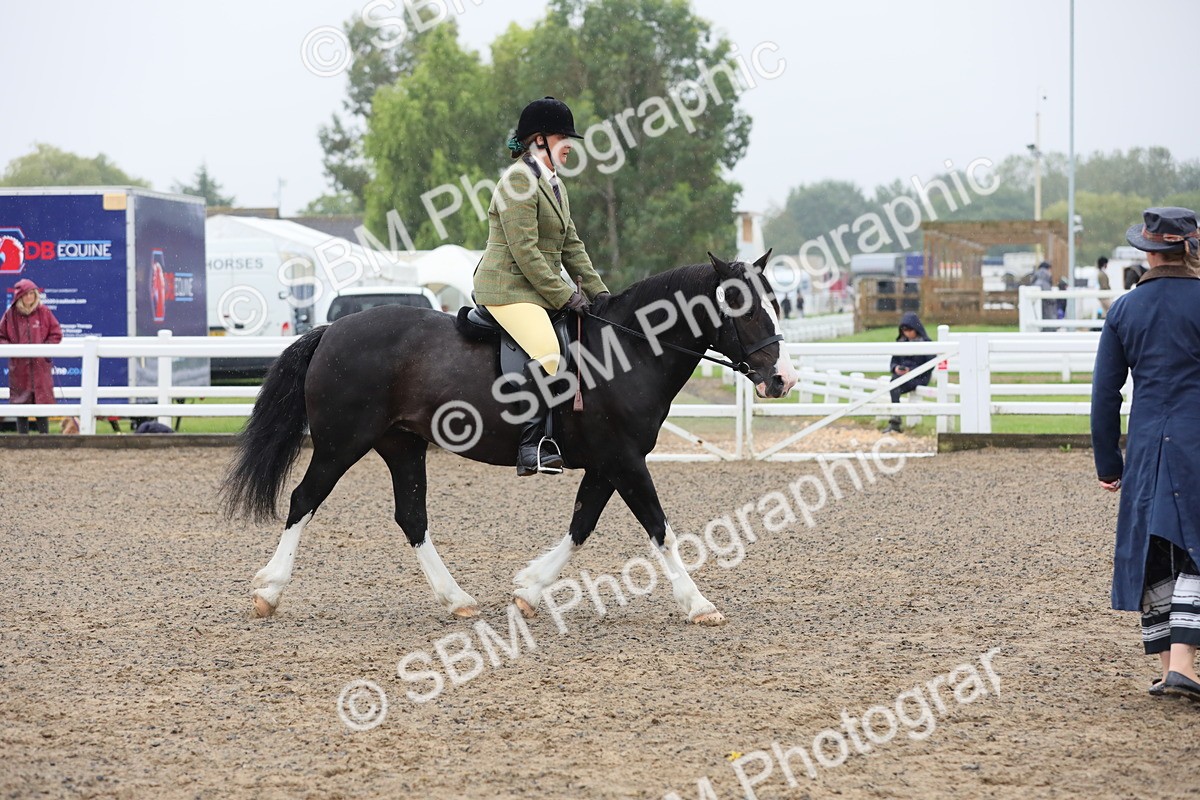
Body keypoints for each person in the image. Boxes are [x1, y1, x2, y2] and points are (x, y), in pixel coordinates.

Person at [1092, 207, 1200, 701]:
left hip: (1145, 446)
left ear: (1148, 251)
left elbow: (1105, 394)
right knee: (1194, 549)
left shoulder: (1124, 310)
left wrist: (1109, 464)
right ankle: (1183, 666)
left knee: (1156, 549)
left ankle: (1168, 667)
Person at [473, 96, 610, 476]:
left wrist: (600, 295)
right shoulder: (517, 181)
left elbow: (571, 246)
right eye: (562, 137)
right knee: (549, 350)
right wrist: (566, 295)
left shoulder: (553, 185)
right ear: (539, 140)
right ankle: (531, 445)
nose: (569, 145)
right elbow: (526, 252)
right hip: (508, 289)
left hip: (535, 290)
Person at [0, 279, 63, 434]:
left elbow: (56, 333)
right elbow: (1, 336)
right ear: (19, 296)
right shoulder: (10, 315)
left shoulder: (44, 312)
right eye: (26, 294)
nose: (29, 297)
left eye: (32, 294)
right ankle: (22, 438)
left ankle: (44, 438)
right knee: (21, 404)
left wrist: (45, 349)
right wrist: (13, 351)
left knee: (41, 404)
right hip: (19, 368)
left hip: (40, 367)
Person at [883, 311, 935, 434]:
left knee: (894, 384)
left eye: (909, 329)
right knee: (894, 384)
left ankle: (895, 420)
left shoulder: (926, 343)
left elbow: (930, 365)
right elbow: (894, 361)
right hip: (901, 377)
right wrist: (896, 368)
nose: (907, 332)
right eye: (904, 329)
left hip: (919, 377)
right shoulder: (901, 343)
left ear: (916, 328)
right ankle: (895, 419)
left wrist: (911, 371)